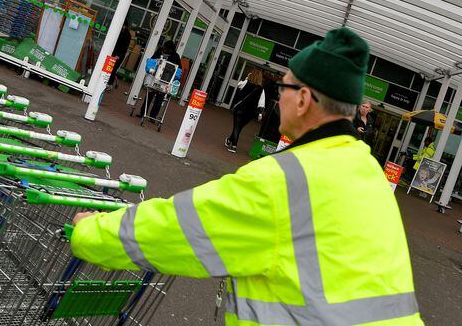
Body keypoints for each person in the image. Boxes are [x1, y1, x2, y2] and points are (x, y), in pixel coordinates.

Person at [71, 27, 422, 325]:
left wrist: (89, 231)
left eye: (282, 89)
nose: (277, 99)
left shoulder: (283, 181)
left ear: (302, 99)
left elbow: (177, 228)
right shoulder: (366, 172)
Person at [138, 40, 181, 120]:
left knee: (159, 99)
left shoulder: (175, 56)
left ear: (171, 50)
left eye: (166, 49)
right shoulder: (159, 51)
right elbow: (152, 60)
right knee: (149, 96)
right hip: (154, 77)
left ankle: (152, 117)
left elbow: (178, 70)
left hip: (165, 80)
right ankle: (143, 113)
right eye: (164, 48)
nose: (164, 50)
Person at [225, 69, 265, 153]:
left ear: (251, 75)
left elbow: (239, 84)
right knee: (239, 128)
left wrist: (247, 78)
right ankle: (229, 140)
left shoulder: (246, 83)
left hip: (240, 109)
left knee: (236, 127)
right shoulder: (261, 89)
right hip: (250, 113)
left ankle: (234, 146)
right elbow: (261, 102)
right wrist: (260, 114)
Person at [107, 21, 132, 87]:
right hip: (113, 52)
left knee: (113, 69)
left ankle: (110, 83)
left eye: (123, 25)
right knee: (109, 67)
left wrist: (119, 55)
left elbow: (125, 46)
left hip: (119, 54)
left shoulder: (127, 35)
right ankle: (107, 81)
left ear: (125, 26)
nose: (121, 26)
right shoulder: (118, 31)